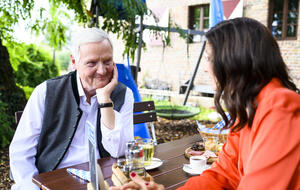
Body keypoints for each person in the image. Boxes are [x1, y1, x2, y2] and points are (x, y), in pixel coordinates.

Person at [110, 17, 300, 190]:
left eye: (209, 58)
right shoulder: (249, 110)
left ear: (232, 59)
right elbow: (222, 176)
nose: (207, 69)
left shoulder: (280, 107)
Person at [9, 27, 134, 189]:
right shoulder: (46, 92)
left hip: (105, 182)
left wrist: (105, 101)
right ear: (74, 62)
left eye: (107, 61)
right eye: (92, 63)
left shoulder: (124, 94)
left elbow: (120, 152)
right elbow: (21, 153)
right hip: (52, 181)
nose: (102, 71)